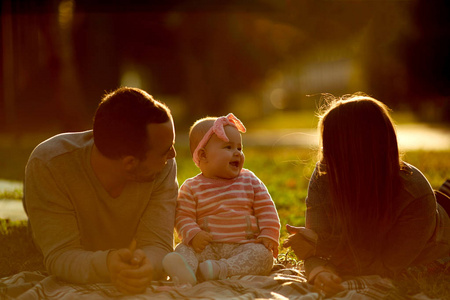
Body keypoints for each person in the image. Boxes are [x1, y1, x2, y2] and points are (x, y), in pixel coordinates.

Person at [284, 94, 450, 297]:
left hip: (436, 233)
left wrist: (320, 247)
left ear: (354, 152)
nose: (324, 155)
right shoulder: (325, 175)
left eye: (330, 147)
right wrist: (320, 272)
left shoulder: (414, 194)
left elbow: (384, 267)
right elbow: (313, 244)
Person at [23, 87, 178, 294]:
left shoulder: (162, 167)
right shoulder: (50, 165)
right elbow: (60, 254)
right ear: (130, 162)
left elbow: (159, 245)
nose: (173, 154)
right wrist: (107, 265)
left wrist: (147, 267)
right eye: (166, 150)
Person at [162, 113, 280, 285]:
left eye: (239, 148)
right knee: (185, 249)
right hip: (206, 247)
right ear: (203, 155)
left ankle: (219, 269)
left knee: (263, 256)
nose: (237, 153)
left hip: (243, 246)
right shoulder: (192, 187)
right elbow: (182, 216)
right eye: (228, 147)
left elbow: (266, 208)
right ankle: (185, 271)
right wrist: (194, 235)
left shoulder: (250, 180)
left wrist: (269, 233)